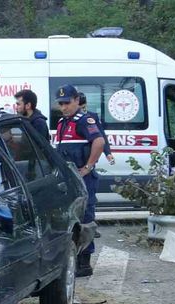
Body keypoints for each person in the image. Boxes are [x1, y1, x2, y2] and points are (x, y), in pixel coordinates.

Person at [54, 85, 105, 277]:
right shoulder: (63, 122)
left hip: (84, 179)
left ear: (76, 100)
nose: (64, 107)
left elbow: (99, 142)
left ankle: (85, 262)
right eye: (61, 104)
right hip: (70, 180)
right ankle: (75, 259)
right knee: (72, 218)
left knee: (85, 217)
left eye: (67, 103)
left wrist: (88, 166)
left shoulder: (84, 120)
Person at [78, 92, 115, 165]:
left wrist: (108, 153)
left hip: (89, 155)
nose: (83, 109)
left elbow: (101, 135)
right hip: (76, 155)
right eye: (80, 107)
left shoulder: (92, 116)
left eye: (84, 107)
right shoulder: (70, 118)